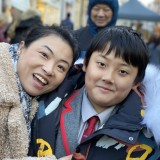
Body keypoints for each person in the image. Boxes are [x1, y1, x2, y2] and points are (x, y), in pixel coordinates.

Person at [54, 26, 160, 160]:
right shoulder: (51, 103)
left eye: (122, 71)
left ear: (136, 81)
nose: (108, 78)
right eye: (102, 64)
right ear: (85, 63)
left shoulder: (148, 134)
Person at [0, 24, 79, 159]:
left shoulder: (33, 101)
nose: (49, 69)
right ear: (21, 47)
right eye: (44, 55)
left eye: (61, 67)